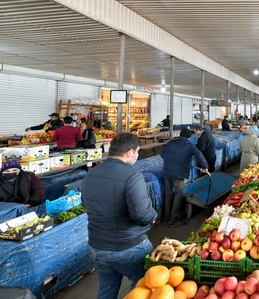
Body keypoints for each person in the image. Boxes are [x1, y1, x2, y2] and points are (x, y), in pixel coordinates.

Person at [81, 132, 157, 299]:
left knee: (107, 289)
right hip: (128, 247)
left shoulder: (90, 174)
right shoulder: (132, 176)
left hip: (96, 247)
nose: (137, 156)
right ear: (130, 152)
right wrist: (153, 217)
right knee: (145, 287)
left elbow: (86, 205)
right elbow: (142, 214)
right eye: (137, 152)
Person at [160, 128, 208, 227]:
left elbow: (162, 154)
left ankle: (166, 216)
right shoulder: (189, 145)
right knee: (178, 194)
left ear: (180, 135)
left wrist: (171, 161)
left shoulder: (171, 142)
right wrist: (204, 167)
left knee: (168, 193)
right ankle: (173, 220)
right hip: (178, 174)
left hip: (167, 172)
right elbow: (199, 155)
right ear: (189, 137)